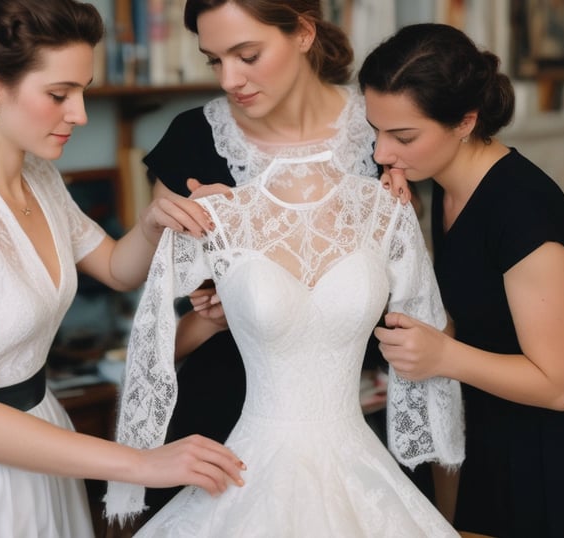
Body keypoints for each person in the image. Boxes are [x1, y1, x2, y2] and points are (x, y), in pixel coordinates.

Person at [0, 1, 245, 537]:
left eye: (84, 90)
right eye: (59, 94)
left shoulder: (38, 177)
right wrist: (143, 462)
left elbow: (116, 268)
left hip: (43, 437)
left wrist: (155, 222)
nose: (80, 113)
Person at [139, 0, 411, 516]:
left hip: (366, 432)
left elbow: (421, 305)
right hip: (222, 438)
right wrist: (222, 317)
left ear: (304, 33)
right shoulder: (192, 141)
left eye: (247, 55)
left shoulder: (387, 131)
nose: (229, 79)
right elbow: (154, 341)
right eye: (214, 60)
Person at [361, 23, 564, 538]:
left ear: (465, 121)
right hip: (496, 427)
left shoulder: (521, 210)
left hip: (557, 453)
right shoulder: (447, 189)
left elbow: (560, 385)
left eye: (403, 136)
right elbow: (477, 315)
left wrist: (442, 357)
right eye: (376, 131)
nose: (383, 153)